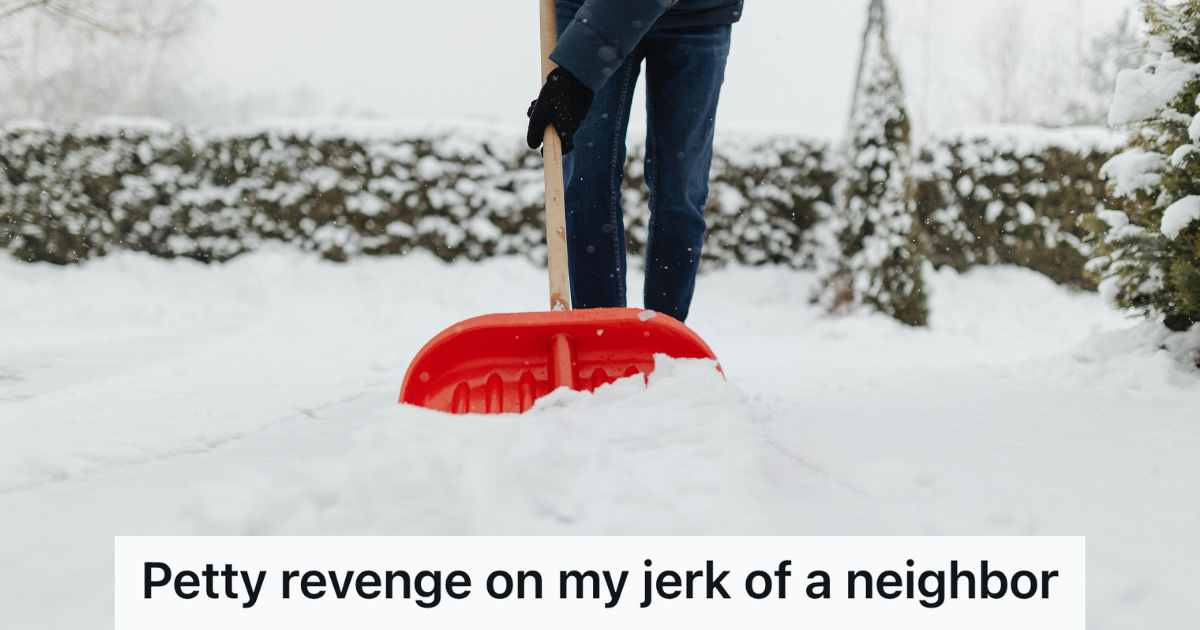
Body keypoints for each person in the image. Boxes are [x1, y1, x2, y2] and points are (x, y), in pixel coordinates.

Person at [527, 0, 743, 323]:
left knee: (680, 192)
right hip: (588, 8)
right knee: (585, 186)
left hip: (698, 14)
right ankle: (602, 338)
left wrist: (576, 72)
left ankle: (665, 346)